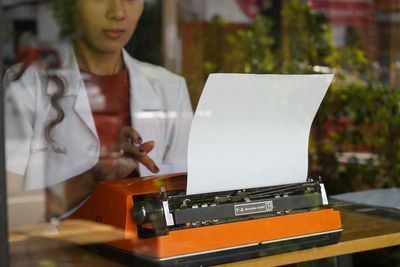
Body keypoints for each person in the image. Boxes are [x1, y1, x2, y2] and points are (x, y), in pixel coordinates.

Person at [4, 0, 193, 219]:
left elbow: (185, 202)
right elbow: (11, 212)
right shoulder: (27, 85)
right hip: (55, 251)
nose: (117, 12)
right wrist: (91, 178)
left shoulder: (170, 88)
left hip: (147, 251)